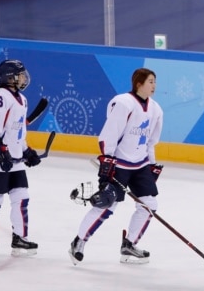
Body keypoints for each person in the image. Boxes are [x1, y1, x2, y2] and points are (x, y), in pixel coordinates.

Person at [69, 68, 164, 266]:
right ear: (139, 84)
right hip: (119, 164)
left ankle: (129, 244)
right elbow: (109, 134)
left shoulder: (156, 109)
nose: (154, 86)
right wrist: (107, 160)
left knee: (149, 205)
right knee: (106, 205)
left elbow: (150, 142)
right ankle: (79, 242)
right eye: (150, 82)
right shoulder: (123, 103)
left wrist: (152, 164)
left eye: (155, 82)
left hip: (140, 165)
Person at [0, 59, 42, 257]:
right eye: (20, 74)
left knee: (22, 197)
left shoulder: (22, 99)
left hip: (13, 158)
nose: (24, 78)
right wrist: (0, 149)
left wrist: (26, 151)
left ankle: (20, 238)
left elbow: (18, 132)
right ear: (9, 77)